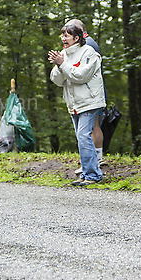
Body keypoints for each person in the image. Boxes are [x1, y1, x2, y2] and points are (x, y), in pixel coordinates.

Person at [49, 22, 105, 186]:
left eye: (66, 35)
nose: (63, 39)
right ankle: (88, 172)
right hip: (74, 103)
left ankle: (93, 175)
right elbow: (57, 80)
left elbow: (81, 75)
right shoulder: (64, 54)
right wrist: (60, 64)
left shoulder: (89, 52)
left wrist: (62, 64)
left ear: (76, 37)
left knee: (83, 136)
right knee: (81, 138)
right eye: (62, 35)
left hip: (90, 101)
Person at [66, 19, 107, 173]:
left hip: (91, 94)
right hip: (89, 93)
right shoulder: (86, 43)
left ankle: (95, 160)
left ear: (79, 31)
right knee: (89, 128)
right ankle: (93, 160)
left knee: (91, 128)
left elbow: (82, 73)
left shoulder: (88, 45)